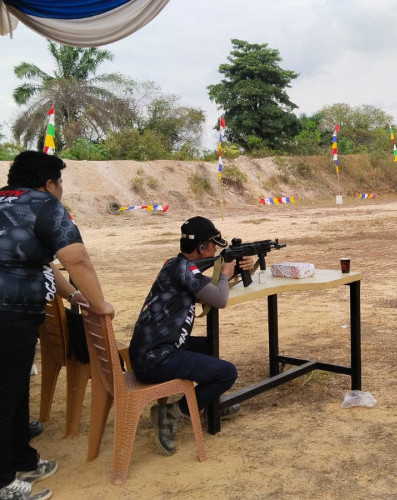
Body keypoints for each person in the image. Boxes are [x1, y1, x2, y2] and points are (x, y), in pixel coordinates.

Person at [0, 151, 114, 500]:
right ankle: (4, 483)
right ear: (49, 183)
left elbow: (44, 264)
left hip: (14, 313)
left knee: (16, 387)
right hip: (9, 312)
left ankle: (22, 458)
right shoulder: (46, 205)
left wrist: (76, 297)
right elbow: (76, 258)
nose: (61, 189)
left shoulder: (5, 201)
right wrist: (100, 305)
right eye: (60, 182)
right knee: (4, 394)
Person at [129, 216, 254, 455]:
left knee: (211, 346)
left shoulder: (176, 265)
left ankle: (208, 402)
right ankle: (171, 414)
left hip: (153, 351)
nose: (216, 249)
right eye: (213, 245)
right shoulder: (184, 270)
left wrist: (234, 268)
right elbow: (219, 299)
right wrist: (226, 274)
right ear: (202, 248)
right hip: (156, 359)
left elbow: (207, 287)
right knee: (227, 372)